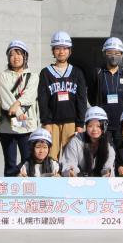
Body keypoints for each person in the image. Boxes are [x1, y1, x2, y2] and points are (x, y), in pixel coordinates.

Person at [37, 31, 88, 160]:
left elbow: (82, 100)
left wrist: (80, 124)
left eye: (65, 48)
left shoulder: (77, 72)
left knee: (70, 156)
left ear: (70, 51)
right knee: (51, 156)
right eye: (58, 48)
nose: (61, 52)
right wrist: (46, 122)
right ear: (53, 50)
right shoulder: (45, 73)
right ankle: (51, 173)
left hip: (71, 121)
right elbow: (43, 100)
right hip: (52, 122)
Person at [0, 40, 40, 177]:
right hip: (7, 127)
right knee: (10, 163)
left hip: (27, 126)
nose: (15, 57)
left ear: (25, 56)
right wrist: (18, 112)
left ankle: (27, 189)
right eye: (12, 54)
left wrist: (16, 105)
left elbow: (30, 96)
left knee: (29, 161)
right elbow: (4, 97)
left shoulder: (33, 76)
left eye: (19, 54)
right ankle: (11, 188)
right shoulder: (2, 76)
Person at [89, 37, 123, 149]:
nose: (113, 56)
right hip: (102, 124)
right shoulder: (97, 73)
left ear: (122, 55)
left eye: (117, 53)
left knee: (122, 152)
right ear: (104, 54)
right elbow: (91, 96)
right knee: (104, 153)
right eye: (110, 53)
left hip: (121, 123)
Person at [60, 107, 116, 177]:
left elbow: (109, 167)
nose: (94, 129)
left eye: (98, 126)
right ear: (86, 126)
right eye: (90, 126)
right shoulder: (76, 141)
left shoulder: (109, 144)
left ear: (104, 127)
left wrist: (108, 173)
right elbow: (68, 163)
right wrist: (70, 171)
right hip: (79, 179)